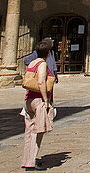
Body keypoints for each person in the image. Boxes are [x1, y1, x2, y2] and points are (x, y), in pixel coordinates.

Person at [21, 38, 54, 171]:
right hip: (38, 100)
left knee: (29, 132)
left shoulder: (32, 62)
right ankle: (31, 162)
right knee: (37, 131)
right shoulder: (42, 64)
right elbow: (41, 82)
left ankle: (26, 160)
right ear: (48, 53)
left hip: (28, 100)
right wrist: (46, 101)